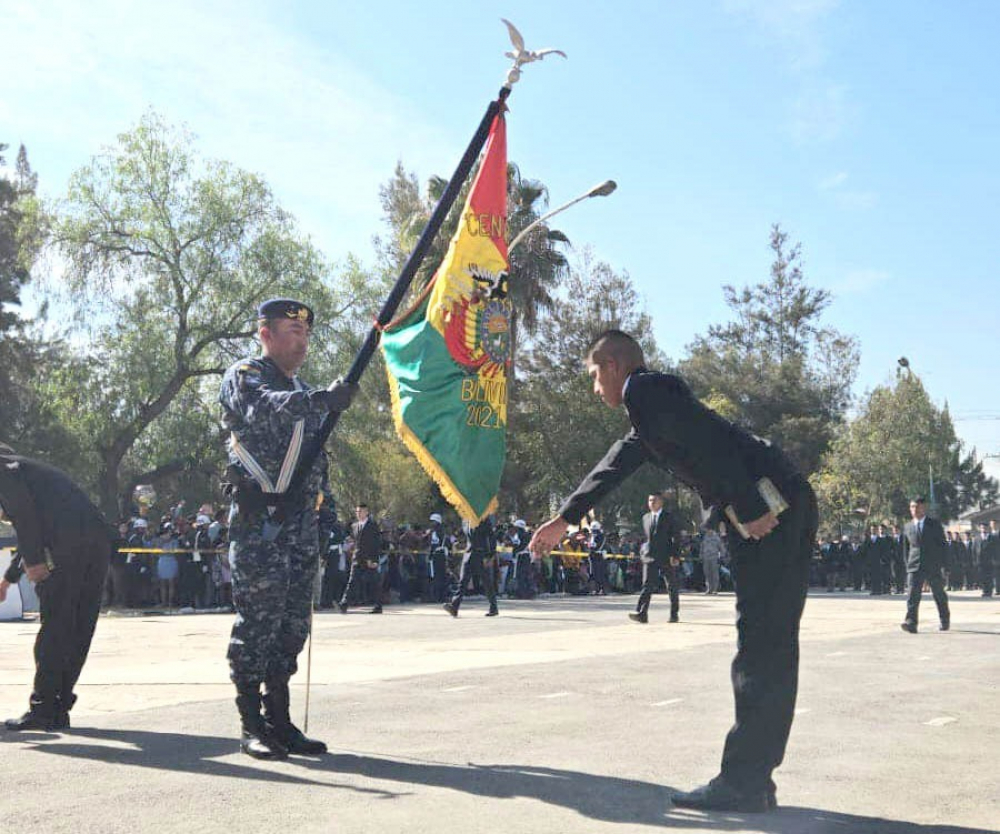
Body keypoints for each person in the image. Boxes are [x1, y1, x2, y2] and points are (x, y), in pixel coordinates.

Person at [529, 330, 817, 813]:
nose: (595, 387)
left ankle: (745, 780)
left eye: (596, 375)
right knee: (770, 643)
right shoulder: (651, 414)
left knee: (762, 643)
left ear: (616, 365)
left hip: (771, 505)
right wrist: (565, 518)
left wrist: (747, 504)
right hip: (781, 500)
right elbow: (614, 465)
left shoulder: (645, 391)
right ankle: (755, 777)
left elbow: (710, 443)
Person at [220, 297, 357, 760]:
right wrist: (320, 399)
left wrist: (330, 518)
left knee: (293, 624)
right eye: (292, 332)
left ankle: (279, 718)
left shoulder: (305, 390)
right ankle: (250, 723)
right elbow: (263, 408)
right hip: (260, 521)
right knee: (258, 621)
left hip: (301, 525)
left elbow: (316, 463)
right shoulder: (245, 376)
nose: (302, 342)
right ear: (266, 334)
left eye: (306, 334)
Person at [0, 445, 113, 731]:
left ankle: (43, 708)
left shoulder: (4, 468)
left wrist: (36, 561)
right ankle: (58, 707)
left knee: (56, 625)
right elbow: (32, 525)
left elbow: (24, 517)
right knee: (79, 626)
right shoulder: (33, 473)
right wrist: (9, 579)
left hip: (67, 545)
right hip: (96, 540)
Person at [899, 497, 950, 634]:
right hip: (914, 565)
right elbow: (906, 549)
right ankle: (911, 622)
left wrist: (944, 566)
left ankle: (944, 619)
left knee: (939, 594)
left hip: (933, 565)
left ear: (923, 508)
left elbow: (942, 546)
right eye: (912, 507)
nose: (914, 510)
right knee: (912, 595)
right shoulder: (907, 526)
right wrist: (908, 565)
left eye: (917, 507)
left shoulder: (934, 525)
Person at [630, 492, 679, 623]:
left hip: (666, 556)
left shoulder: (669, 517)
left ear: (661, 502)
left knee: (671, 586)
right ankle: (641, 613)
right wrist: (642, 551)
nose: (651, 503)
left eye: (654, 500)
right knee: (647, 585)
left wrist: (675, 555)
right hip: (650, 556)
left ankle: (674, 613)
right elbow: (646, 538)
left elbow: (676, 537)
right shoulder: (645, 517)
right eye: (649, 500)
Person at [444, 516, 500, 617]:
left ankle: (493, 607)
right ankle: (454, 606)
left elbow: (491, 537)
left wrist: (490, 555)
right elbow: (466, 536)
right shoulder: (465, 520)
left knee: (486, 581)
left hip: (480, 553)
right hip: (469, 553)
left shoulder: (483, 518)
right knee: (463, 580)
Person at [339, 503, 383, 614]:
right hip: (358, 558)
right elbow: (357, 542)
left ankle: (378, 605)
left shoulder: (373, 525)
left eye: (361, 511)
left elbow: (376, 544)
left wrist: (374, 560)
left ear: (366, 512)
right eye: (357, 512)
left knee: (373, 582)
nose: (359, 514)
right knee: (352, 581)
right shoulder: (354, 526)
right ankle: (344, 603)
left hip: (369, 559)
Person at [701, 523, 725, 595]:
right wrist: (701, 555)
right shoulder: (705, 537)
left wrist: (722, 556)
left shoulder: (716, 538)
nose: (708, 531)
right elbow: (702, 547)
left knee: (714, 574)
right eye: (707, 529)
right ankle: (709, 588)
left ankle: (715, 589)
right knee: (707, 573)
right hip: (706, 557)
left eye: (709, 529)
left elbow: (721, 547)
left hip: (714, 557)